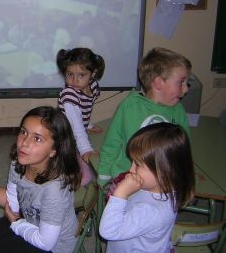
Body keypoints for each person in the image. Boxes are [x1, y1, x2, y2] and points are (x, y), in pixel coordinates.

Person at [0, 106, 82, 253]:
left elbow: (45, 243)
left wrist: (16, 223)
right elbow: (12, 203)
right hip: (28, 223)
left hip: (53, 247)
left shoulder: (54, 190)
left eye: (37, 139)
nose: (24, 143)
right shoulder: (20, 163)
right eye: (23, 132)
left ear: (54, 149)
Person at [97, 47, 191, 187]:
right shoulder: (130, 106)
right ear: (158, 83)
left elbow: (183, 150)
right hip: (128, 178)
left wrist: (186, 176)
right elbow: (113, 141)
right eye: (181, 82)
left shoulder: (178, 110)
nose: (186, 88)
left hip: (163, 181)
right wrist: (103, 173)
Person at [99, 122, 195, 253]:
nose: (131, 169)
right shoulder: (162, 186)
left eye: (137, 164)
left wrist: (120, 194)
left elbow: (108, 231)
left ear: (163, 171)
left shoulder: (149, 210)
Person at [57, 47, 105, 186]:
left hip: (74, 132)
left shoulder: (93, 86)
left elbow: (83, 111)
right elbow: (75, 125)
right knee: (83, 177)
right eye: (70, 74)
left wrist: (88, 125)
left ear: (93, 74)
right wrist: (85, 149)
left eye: (81, 75)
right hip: (63, 137)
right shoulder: (69, 94)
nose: (74, 80)